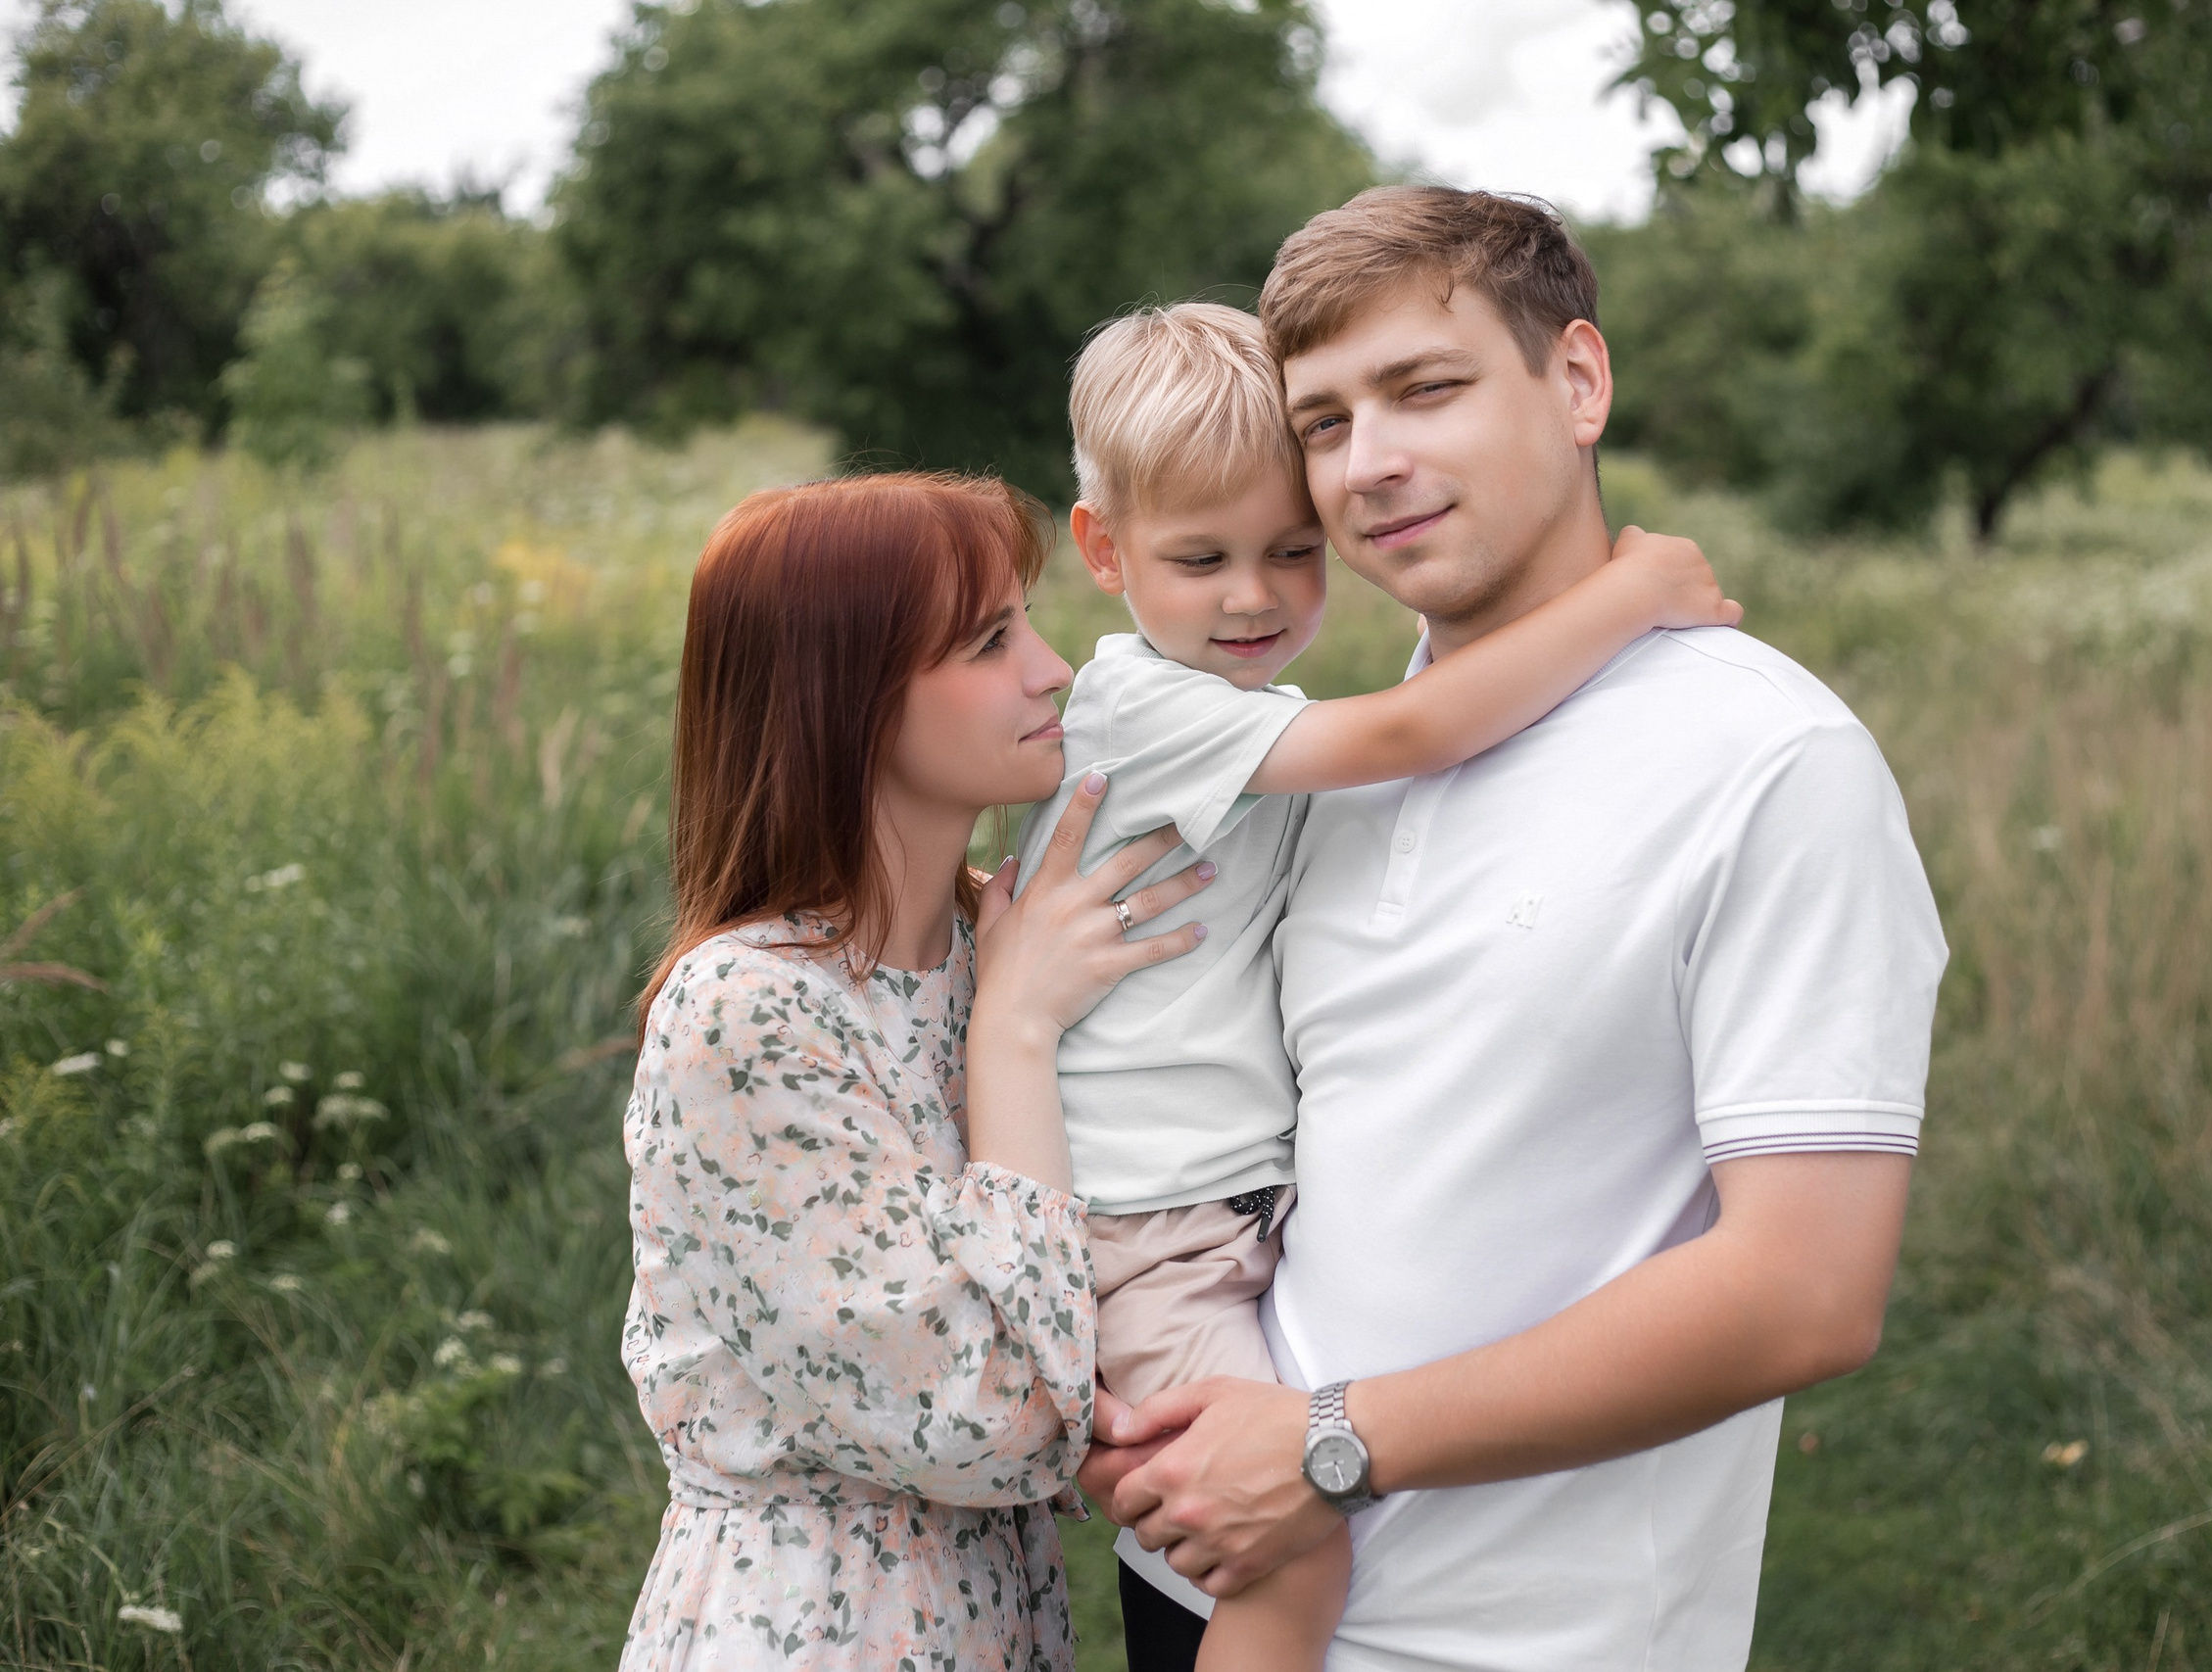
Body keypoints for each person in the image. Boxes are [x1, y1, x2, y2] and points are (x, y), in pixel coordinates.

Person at [1083, 187, 1950, 1671]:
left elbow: (1806, 1293)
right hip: (1197, 1576)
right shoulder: (1311, 764)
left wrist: (1328, 1444)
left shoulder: (1768, 764)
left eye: (1426, 388)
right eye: (1328, 421)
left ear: (1579, 381)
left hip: (1523, 1641)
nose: (1376, 460)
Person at [1014, 303, 1741, 1670]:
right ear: (1103, 549)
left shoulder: (1251, 722)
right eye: (1201, 557)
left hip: (1217, 1208)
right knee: (1293, 1547)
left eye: (1295, 550)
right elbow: (1417, 727)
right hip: (1146, 1221)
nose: (1255, 595)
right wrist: (1632, 595)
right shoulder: (1143, 711)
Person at [615, 473, 1220, 1671]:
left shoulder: (992, 947)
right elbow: (989, 1420)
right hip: (811, 1630)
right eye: (992, 641)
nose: (1054, 671)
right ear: (845, 699)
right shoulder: (748, 1010)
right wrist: (1017, 1033)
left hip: (1001, 1622)